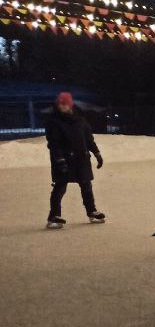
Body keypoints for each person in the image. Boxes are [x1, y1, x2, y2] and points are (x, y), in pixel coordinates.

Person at [44, 91, 105, 229]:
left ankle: (92, 211)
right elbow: (54, 143)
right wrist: (59, 159)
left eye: (64, 103)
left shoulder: (80, 120)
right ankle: (54, 215)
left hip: (81, 158)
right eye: (59, 103)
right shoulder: (54, 121)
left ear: (70, 104)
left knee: (86, 186)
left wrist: (96, 153)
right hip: (63, 160)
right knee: (60, 187)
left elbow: (88, 139)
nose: (61, 106)